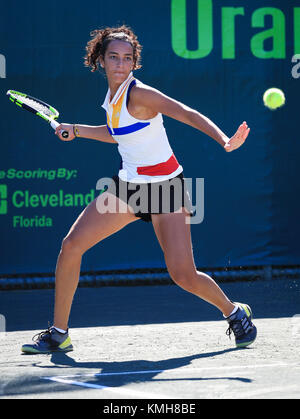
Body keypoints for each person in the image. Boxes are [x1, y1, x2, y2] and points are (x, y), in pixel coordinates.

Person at [21, 25, 256, 354]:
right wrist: (76, 130)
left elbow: (185, 112)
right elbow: (119, 132)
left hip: (165, 190)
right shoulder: (112, 98)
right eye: (114, 57)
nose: (120, 64)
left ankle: (234, 312)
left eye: (127, 58)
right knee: (71, 245)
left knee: (183, 274)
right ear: (100, 60)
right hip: (128, 188)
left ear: (134, 63)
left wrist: (224, 140)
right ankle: (59, 334)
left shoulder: (141, 93)